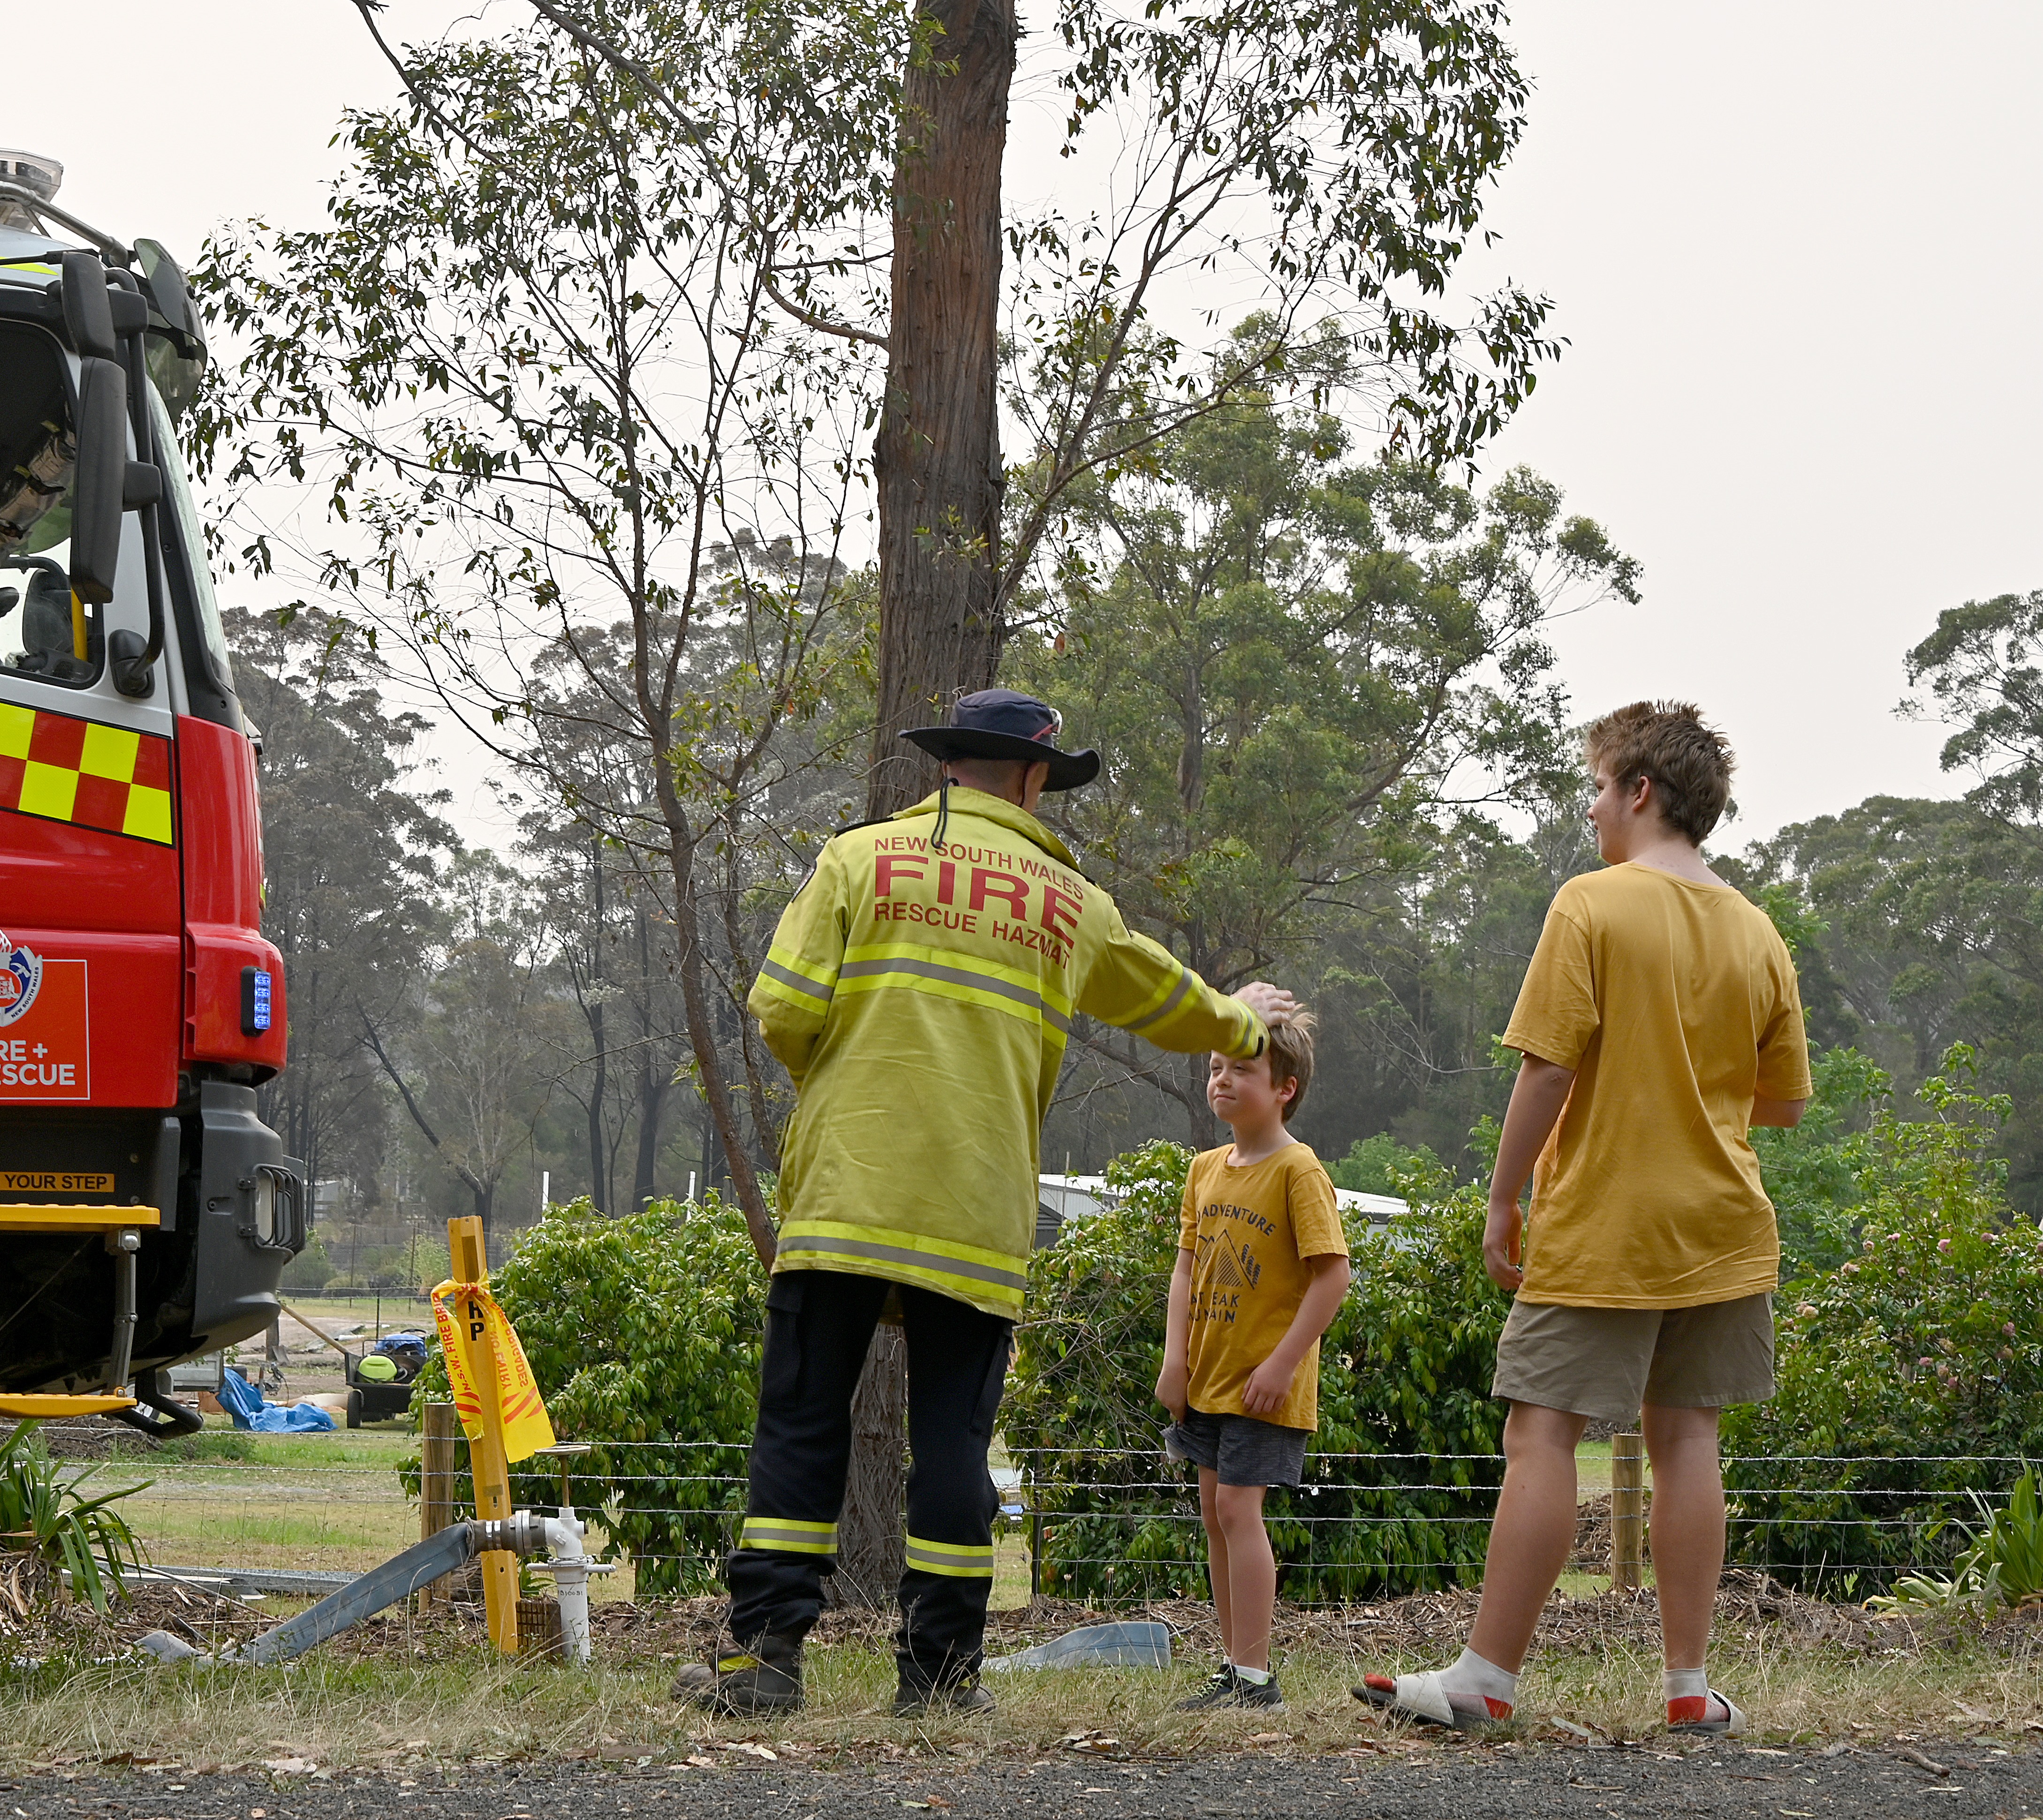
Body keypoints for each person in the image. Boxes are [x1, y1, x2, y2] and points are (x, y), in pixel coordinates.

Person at [674, 689, 1297, 1717]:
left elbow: (781, 1007)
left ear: (947, 766)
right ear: (1036, 779)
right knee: (955, 1443)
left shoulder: (858, 857)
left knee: (800, 1423)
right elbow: (1166, 997)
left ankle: (765, 1664)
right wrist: (1243, 1021)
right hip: (974, 1212)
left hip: (846, 1195)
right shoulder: (1069, 901)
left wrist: (843, 1091)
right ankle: (941, 1678)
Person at [1357, 702, 1810, 1737]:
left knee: (1543, 1431)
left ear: (1640, 792)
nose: (1593, 808)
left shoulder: (1592, 905)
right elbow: (1780, 1102)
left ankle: (1485, 1679)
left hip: (1606, 1219)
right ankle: (1690, 1689)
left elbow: (1551, 1063)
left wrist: (1504, 1197)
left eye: (1599, 788)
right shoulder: (1758, 930)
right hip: (1727, 1223)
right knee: (1689, 1437)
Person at [1159, 1010, 1348, 1713]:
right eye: (1216, 1066)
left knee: (1240, 1508)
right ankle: (1233, 1667)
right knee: (1215, 1511)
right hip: (1205, 1379)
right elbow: (1185, 1271)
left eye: (1242, 1069)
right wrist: (1174, 1360)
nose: (1223, 1079)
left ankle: (1256, 1676)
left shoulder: (1300, 1170)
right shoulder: (1205, 1169)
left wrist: (1281, 1364)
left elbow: (1333, 1276)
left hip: (1264, 1388)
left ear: (1285, 1088)